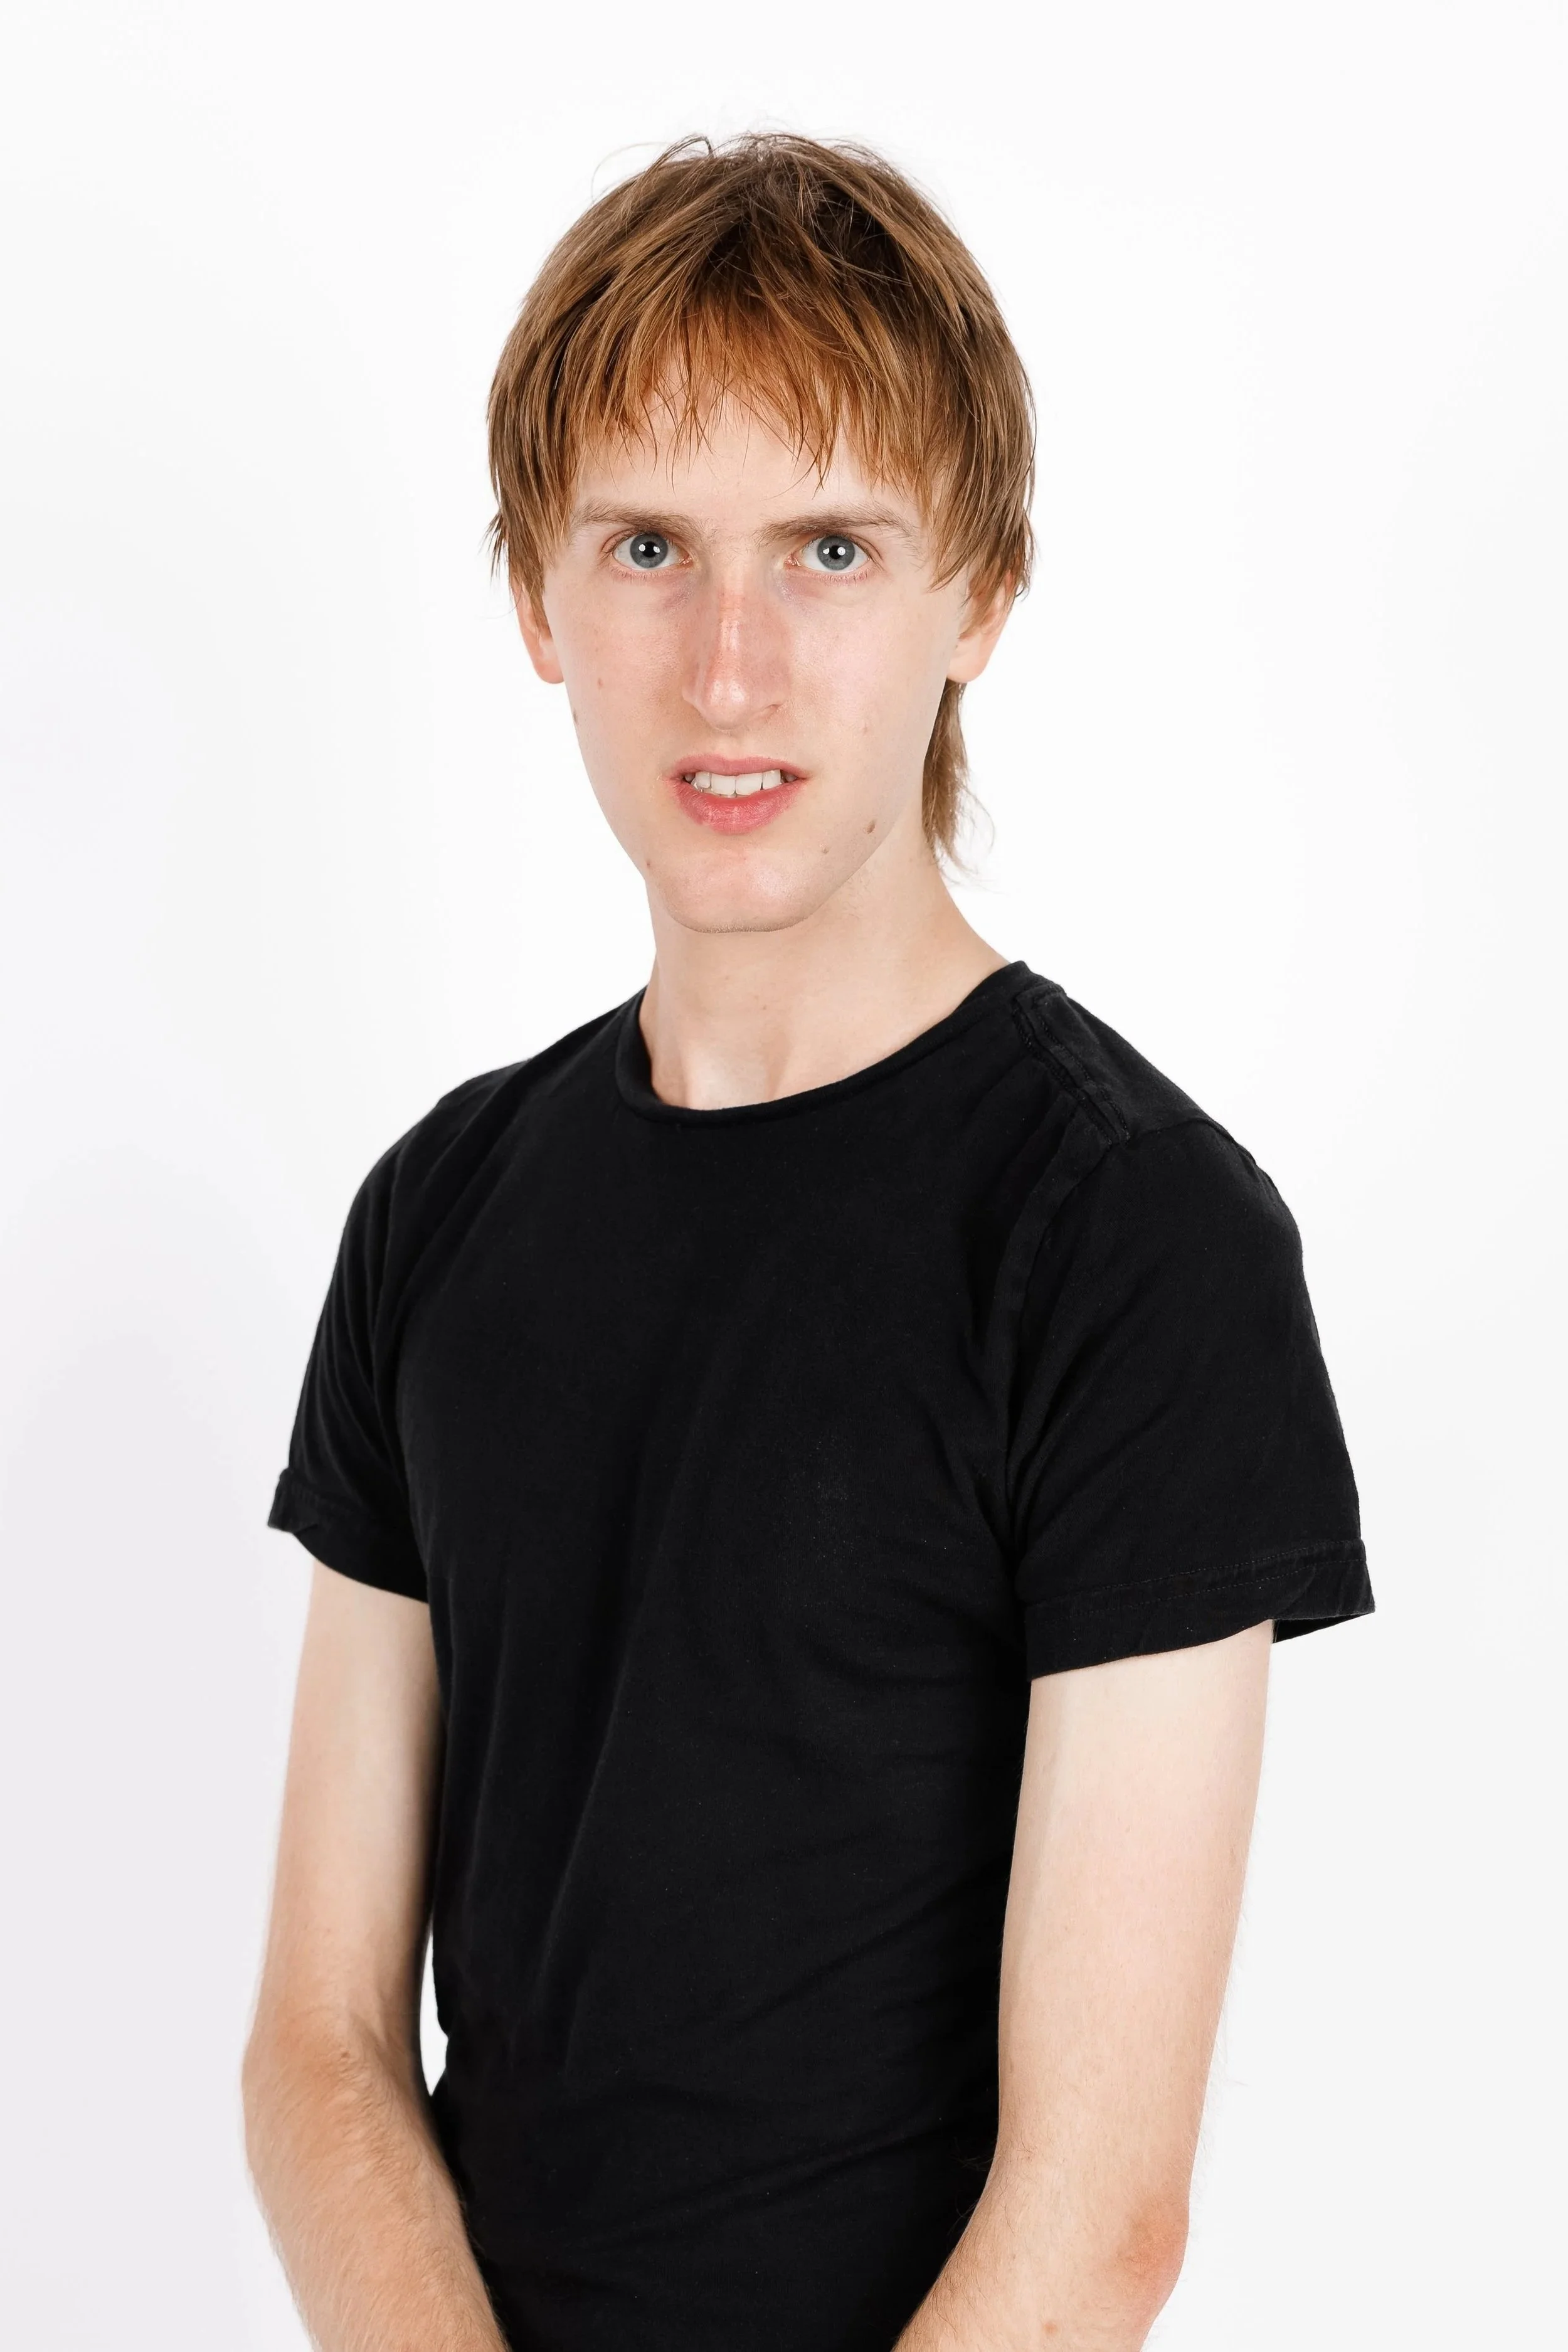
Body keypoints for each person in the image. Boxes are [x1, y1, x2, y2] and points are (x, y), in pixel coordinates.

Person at [243, 132, 1372, 2352]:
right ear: (535, 600)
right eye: (648, 544)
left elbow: (1096, 2206)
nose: (729, 663)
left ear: (980, 595)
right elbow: (320, 2042)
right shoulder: (440, 1211)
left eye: (829, 549)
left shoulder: (1136, 1234)